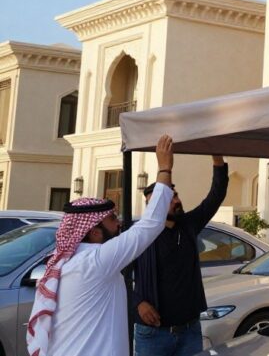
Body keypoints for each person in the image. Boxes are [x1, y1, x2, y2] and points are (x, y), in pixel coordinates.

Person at [26, 135, 176, 356]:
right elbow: (149, 226)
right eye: (113, 219)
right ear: (95, 232)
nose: (120, 224)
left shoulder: (67, 262)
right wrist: (164, 169)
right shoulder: (95, 262)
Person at [132, 148, 229, 356]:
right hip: (153, 335)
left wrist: (217, 155)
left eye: (175, 196)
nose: (176, 201)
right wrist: (138, 303)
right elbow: (116, 276)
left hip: (190, 332)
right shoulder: (139, 236)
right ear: (153, 206)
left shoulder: (189, 224)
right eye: (169, 199)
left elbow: (217, 194)